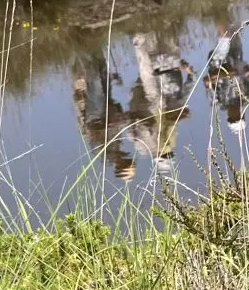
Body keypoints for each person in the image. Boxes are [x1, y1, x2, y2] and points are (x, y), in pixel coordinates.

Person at [129, 32, 192, 183]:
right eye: (168, 155)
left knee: (147, 69)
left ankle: (140, 38)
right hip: (155, 101)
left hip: (150, 102)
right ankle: (146, 35)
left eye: (165, 156)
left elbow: (134, 127)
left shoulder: (144, 147)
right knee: (148, 69)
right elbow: (169, 123)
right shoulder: (165, 142)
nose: (166, 153)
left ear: (157, 157)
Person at [73, 50, 138, 179]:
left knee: (95, 80)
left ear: (119, 166)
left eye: (125, 162)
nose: (126, 157)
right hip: (106, 108)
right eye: (128, 160)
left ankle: (82, 48)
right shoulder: (117, 146)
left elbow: (93, 132)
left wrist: (115, 122)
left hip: (95, 116)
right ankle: (95, 48)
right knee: (103, 75)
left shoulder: (102, 154)